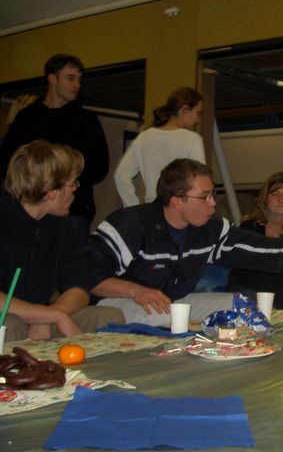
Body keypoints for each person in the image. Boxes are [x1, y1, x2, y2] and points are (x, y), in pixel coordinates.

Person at [84, 159, 283, 325]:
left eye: (213, 195)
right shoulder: (131, 223)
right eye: (204, 197)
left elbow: (266, 249)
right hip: (121, 303)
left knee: (244, 307)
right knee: (172, 317)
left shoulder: (209, 230)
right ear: (177, 201)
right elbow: (84, 275)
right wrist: (135, 291)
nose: (213, 204)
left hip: (175, 302)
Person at [0, 140, 124, 341]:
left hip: (44, 317)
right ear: (51, 193)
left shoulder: (63, 228)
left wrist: (50, 315)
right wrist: (49, 315)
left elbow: (79, 287)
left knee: (107, 317)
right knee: (9, 324)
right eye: (73, 183)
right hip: (9, 318)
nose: (75, 190)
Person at [0, 54, 109, 242]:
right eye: (70, 78)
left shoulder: (86, 120)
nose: (77, 85)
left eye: (79, 79)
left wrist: (64, 178)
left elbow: (99, 168)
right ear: (52, 78)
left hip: (72, 213)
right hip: (29, 211)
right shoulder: (27, 117)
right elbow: (7, 163)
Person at [227, 171, 283, 308]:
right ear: (265, 198)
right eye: (275, 194)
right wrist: (237, 300)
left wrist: (278, 306)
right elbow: (236, 273)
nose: (281, 200)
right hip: (248, 298)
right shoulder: (248, 227)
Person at [114, 87, 206, 207]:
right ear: (185, 110)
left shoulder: (144, 137)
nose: (199, 120)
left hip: (152, 209)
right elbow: (201, 180)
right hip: (181, 209)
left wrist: (133, 208)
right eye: (198, 114)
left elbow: (121, 176)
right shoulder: (192, 139)